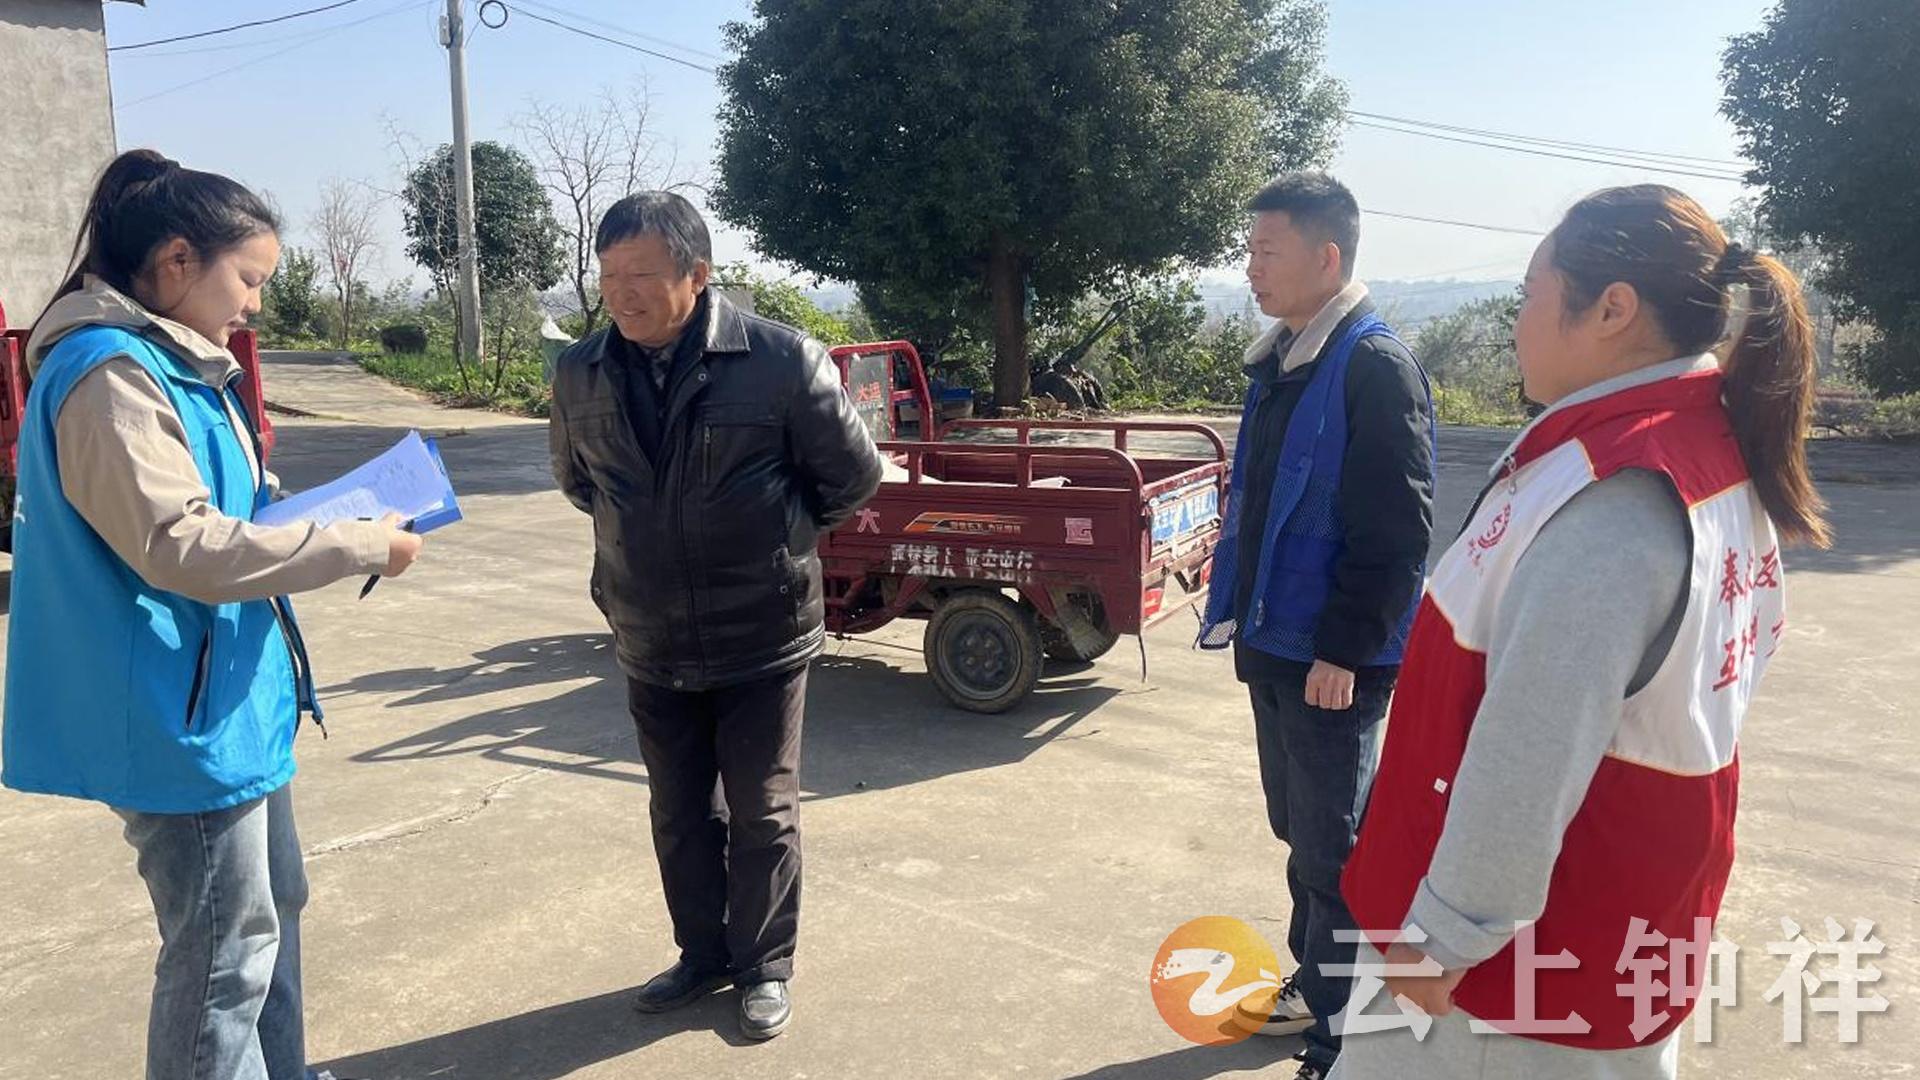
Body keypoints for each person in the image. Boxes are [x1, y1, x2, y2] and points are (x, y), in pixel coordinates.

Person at [1335, 185, 1829, 1079]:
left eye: (1532, 293)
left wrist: (1445, 935)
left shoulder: (1616, 499)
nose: (1516, 323)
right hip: (1617, 926)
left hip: (1506, 985)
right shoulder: (1705, 453)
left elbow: (1531, 746)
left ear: (1612, 310)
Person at [1, 149, 424, 1080]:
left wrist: (320, 513)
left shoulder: (179, 365)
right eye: (249, 279)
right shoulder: (109, 374)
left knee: (273, 910)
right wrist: (352, 546)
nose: (256, 306)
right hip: (176, 715)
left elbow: (228, 509)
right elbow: (178, 545)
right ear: (178, 261)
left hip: (228, 694)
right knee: (223, 954)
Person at [548, 192, 882, 1041]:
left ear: (697, 275)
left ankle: (764, 964)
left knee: (763, 808)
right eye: (609, 275)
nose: (622, 294)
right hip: (648, 629)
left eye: (642, 275)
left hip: (760, 629)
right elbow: (580, 483)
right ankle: (701, 955)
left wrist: (775, 539)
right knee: (679, 810)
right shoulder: (581, 372)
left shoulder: (781, 361)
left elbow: (853, 476)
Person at [1196, 172, 1437, 1080]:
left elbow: (1397, 532)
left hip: (1331, 662)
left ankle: (1343, 1041)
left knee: (1338, 853)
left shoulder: (1372, 366)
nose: (1251, 268)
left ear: (1327, 257)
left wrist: (1343, 650)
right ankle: (1319, 985)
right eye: (1250, 251)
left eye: (1267, 251)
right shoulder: (1285, 360)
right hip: (1275, 643)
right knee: (1301, 835)